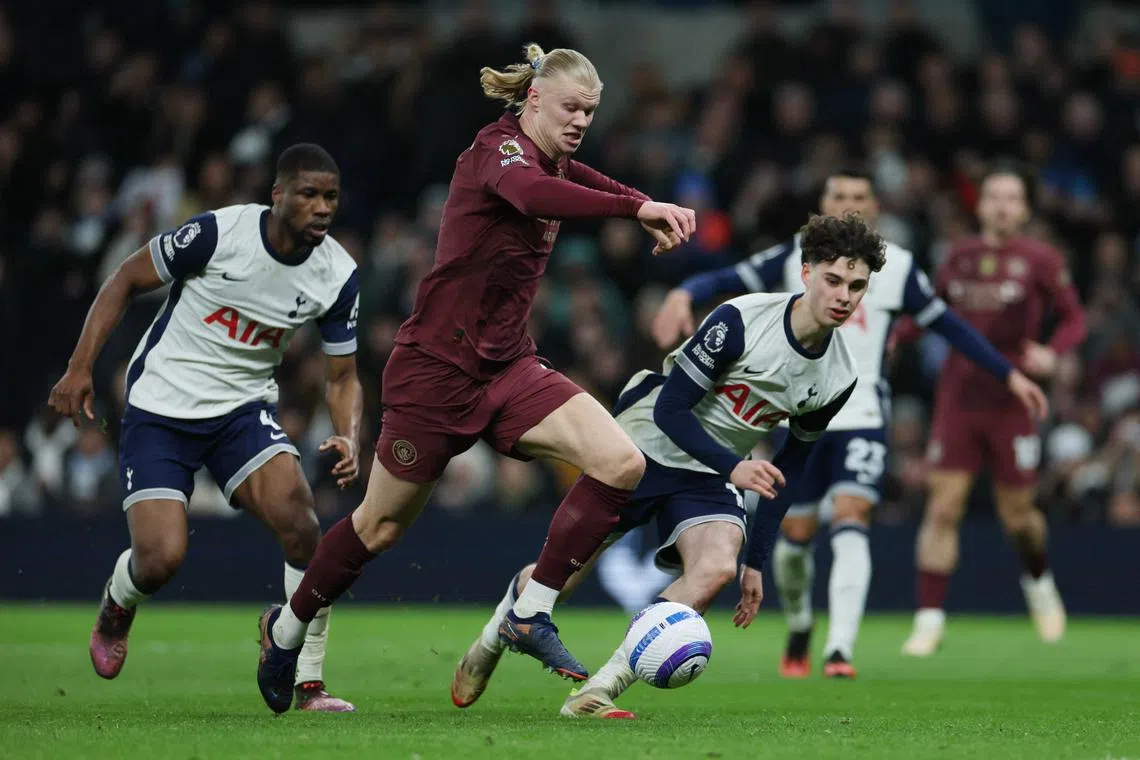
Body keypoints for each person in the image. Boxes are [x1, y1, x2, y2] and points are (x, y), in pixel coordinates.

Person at [254, 43, 697, 714]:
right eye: (572, 108)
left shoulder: (553, 158)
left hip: (509, 365)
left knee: (619, 462)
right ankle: (285, 630)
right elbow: (537, 193)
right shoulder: (499, 153)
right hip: (436, 370)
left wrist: (643, 201)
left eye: (592, 111)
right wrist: (635, 212)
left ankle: (531, 610)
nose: (581, 121)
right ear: (535, 100)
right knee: (377, 528)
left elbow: (582, 177)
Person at [452, 213, 879, 719]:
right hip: (639, 448)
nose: (844, 296)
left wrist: (757, 561)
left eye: (856, 285)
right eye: (833, 280)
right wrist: (735, 468)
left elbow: (788, 472)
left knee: (717, 566)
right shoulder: (740, 320)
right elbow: (670, 410)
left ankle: (597, 692)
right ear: (806, 273)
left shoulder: (840, 378)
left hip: (710, 475)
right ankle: (493, 637)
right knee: (561, 582)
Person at [651, 167, 1048, 678]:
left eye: (860, 196)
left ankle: (840, 648)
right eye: (839, 194)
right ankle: (799, 622)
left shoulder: (898, 267)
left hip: (860, 412)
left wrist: (1008, 374)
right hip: (799, 412)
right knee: (794, 538)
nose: (849, 204)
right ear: (822, 202)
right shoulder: (800, 256)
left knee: (852, 519)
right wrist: (685, 291)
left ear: (875, 206)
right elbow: (732, 279)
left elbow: (950, 325)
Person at [48, 144, 363, 713]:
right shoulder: (219, 235)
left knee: (302, 525)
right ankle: (118, 604)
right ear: (278, 195)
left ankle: (303, 674)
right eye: (309, 194)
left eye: (331, 197)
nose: (321, 208)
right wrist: (79, 367)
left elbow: (343, 376)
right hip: (162, 406)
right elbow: (124, 278)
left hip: (241, 411)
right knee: (161, 559)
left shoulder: (337, 274)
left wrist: (348, 431)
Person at [899, 162, 1086, 656]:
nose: (1002, 206)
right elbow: (928, 313)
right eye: (994, 197)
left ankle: (1040, 584)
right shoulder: (956, 256)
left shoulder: (1041, 259)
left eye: (1011, 198)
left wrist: (1054, 351)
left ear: (1023, 210)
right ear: (980, 206)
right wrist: (892, 337)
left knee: (1019, 517)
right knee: (942, 507)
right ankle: (929, 620)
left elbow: (1073, 318)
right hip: (959, 397)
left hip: (1013, 398)